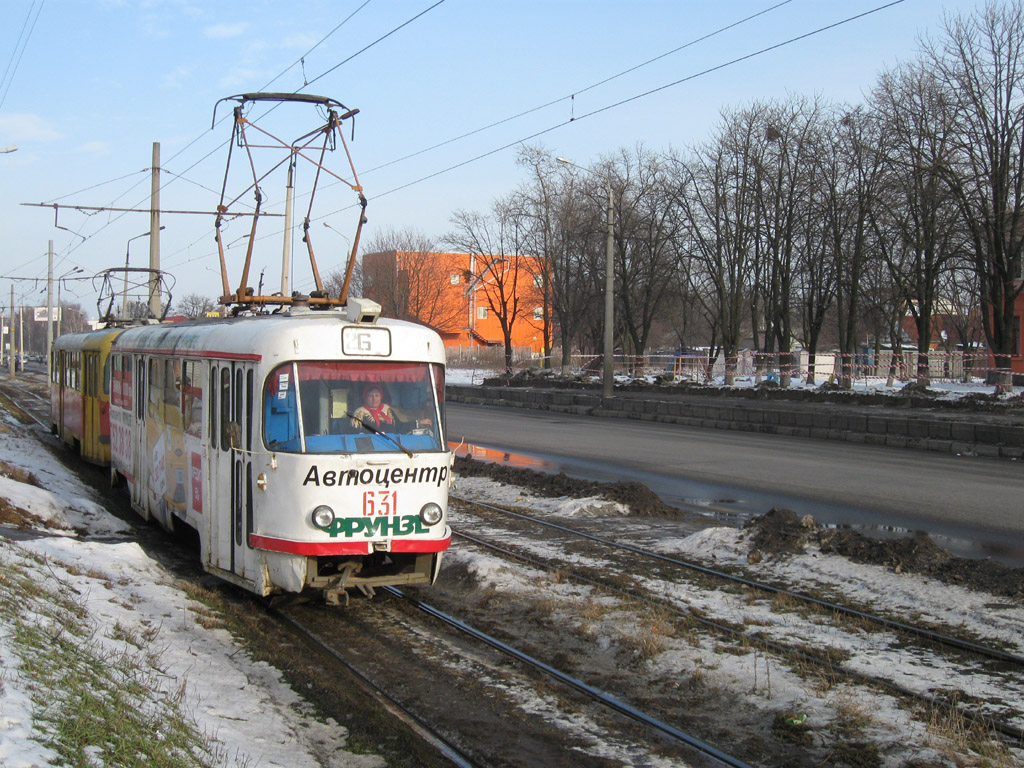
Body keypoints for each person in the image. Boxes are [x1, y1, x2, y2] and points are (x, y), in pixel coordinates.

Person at [351, 384, 432, 432]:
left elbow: (399, 427)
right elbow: (356, 433)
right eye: (370, 396)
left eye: (377, 395)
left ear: (381, 397)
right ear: (365, 398)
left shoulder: (387, 410)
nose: (374, 399)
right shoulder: (359, 413)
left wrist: (419, 423)